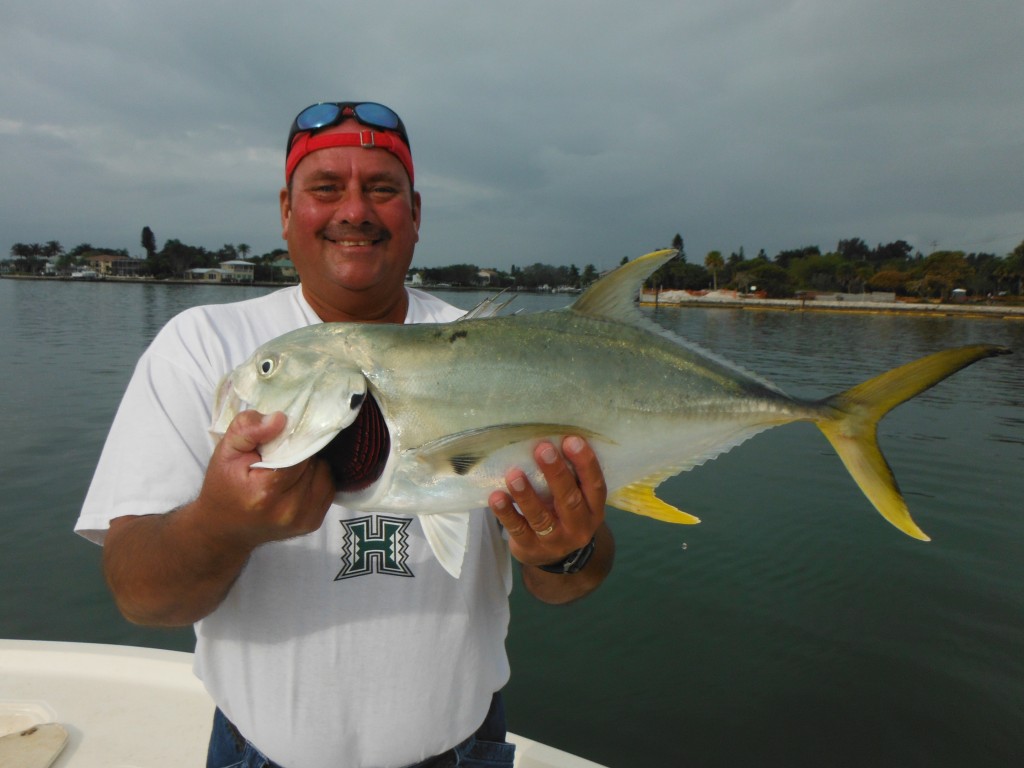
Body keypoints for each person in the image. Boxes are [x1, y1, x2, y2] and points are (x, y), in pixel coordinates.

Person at [75, 101, 614, 768]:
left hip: (462, 751)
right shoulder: (204, 349)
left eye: (381, 189)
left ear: (415, 214)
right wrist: (220, 524)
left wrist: (564, 553)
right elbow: (140, 596)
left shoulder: (494, 348)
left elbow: (575, 580)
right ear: (286, 210)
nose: (353, 210)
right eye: (326, 187)